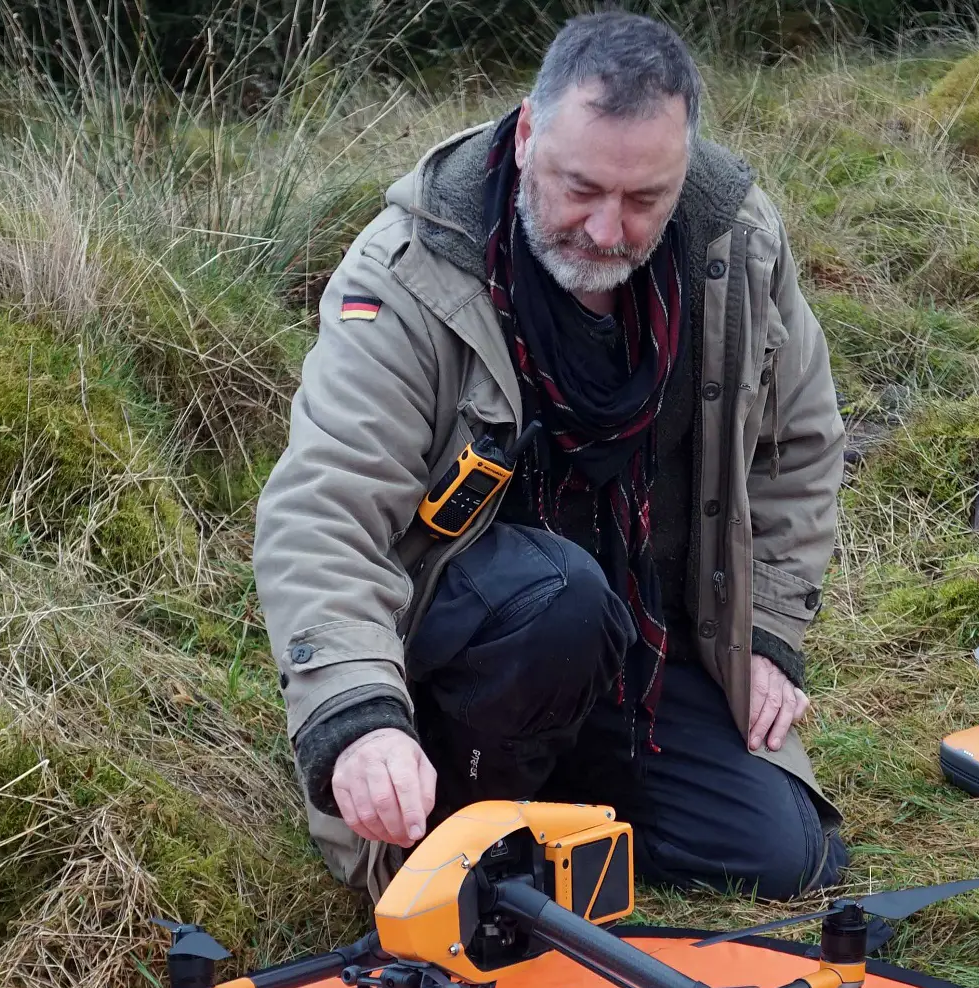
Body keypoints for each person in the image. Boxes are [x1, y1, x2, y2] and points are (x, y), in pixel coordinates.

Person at [252, 9, 850, 909]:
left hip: (649, 650)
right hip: (484, 648)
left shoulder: (733, 243)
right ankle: (456, 824)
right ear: (530, 134)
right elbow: (322, 511)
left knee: (782, 853)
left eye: (645, 199)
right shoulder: (411, 270)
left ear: (682, 170)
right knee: (559, 598)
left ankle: (567, 805)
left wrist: (767, 632)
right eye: (581, 189)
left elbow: (799, 445)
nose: (608, 231)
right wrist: (358, 718)